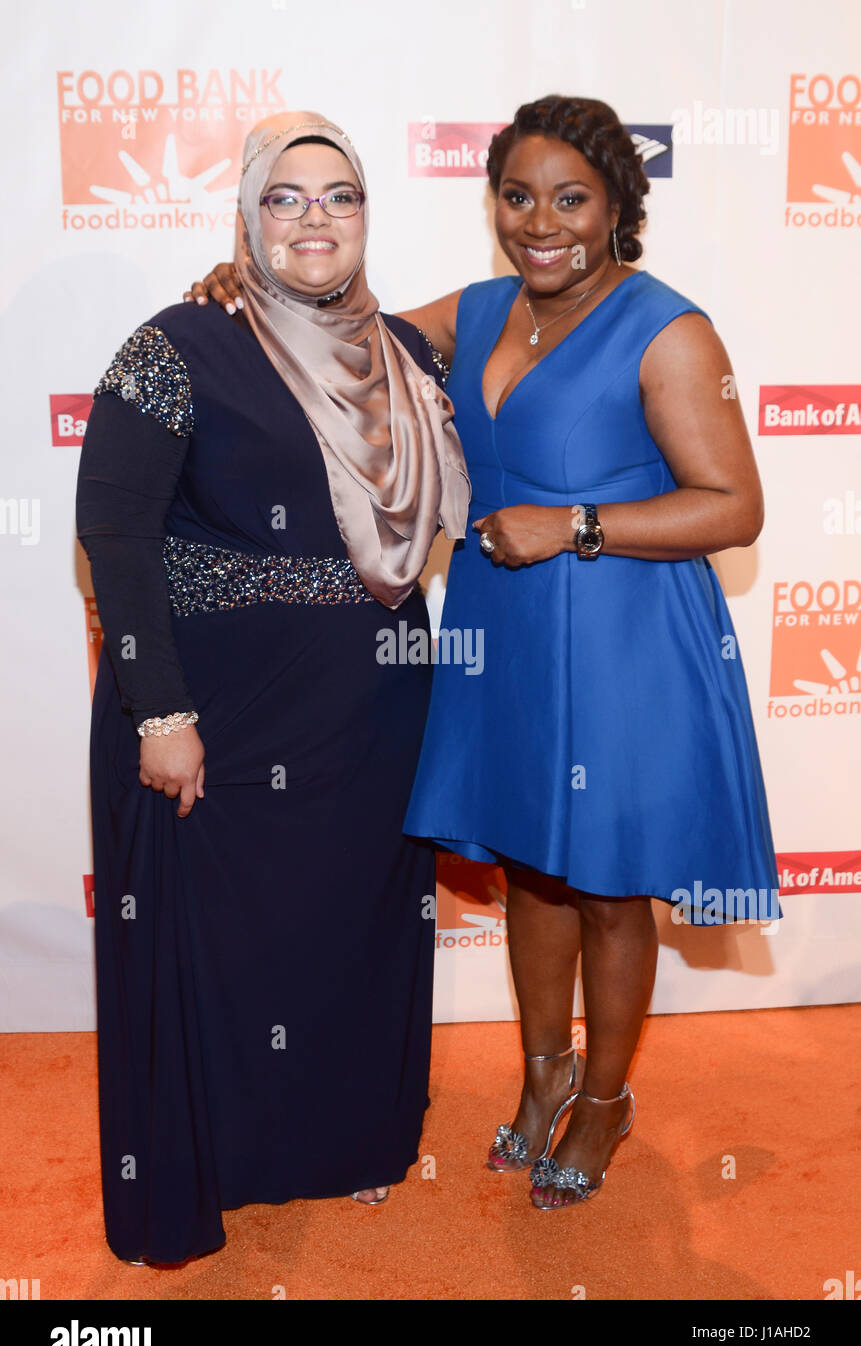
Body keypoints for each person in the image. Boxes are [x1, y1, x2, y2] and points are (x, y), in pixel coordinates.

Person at [187, 94, 781, 1213]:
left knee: (608, 885)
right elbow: (344, 339)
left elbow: (735, 506)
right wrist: (247, 292)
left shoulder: (668, 327)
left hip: (621, 639)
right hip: (504, 636)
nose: (539, 222)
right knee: (530, 869)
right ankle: (544, 1067)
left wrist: (578, 525)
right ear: (493, 203)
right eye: (518, 196)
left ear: (617, 208)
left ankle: (604, 1100)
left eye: (570, 199)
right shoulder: (482, 306)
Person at [76, 109, 469, 1263]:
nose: (314, 217)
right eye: (287, 196)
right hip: (219, 713)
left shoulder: (406, 352)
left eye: (339, 196)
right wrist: (162, 710)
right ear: (247, 215)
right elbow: (114, 532)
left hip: (372, 708)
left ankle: (342, 1143)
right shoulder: (176, 343)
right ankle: (223, 1160)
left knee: (346, 931)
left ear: (365, 216)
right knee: (219, 941)